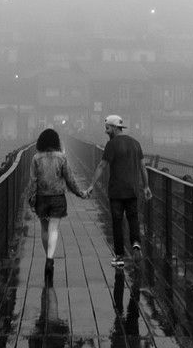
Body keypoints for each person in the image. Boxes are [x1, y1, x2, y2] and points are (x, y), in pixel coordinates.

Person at [86, 114, 152, 267]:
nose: (106, 131)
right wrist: (146, 186)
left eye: (107, 128)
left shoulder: (112, 145)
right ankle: (136, 243)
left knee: (117, 222)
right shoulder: (136, 143)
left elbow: (102, 166)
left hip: (116, 191)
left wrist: (91, 185)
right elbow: (143, 167)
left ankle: (119, 256)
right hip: (133, 190)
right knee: (133, 218)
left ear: (115, 128)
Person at [28, 128, 88, 278]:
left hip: (41, 197)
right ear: (56, 141)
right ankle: (50, 258)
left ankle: (48, 257)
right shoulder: (62, 157)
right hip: (58, 197)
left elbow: (33, 181)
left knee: (44, 228)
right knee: (54, 228)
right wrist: (80, 193)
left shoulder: (36, 158)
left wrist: (32, 198)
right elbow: (69, 179)